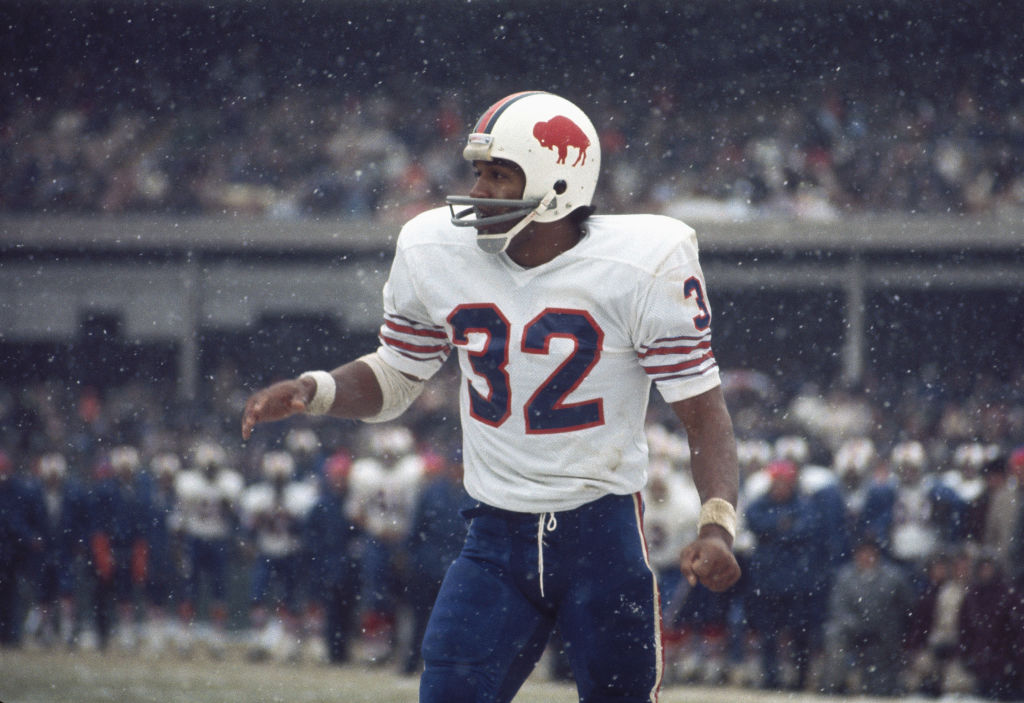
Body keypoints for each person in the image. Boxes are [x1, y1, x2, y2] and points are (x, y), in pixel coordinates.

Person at [242, 90, 741, 703]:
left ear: (560, 183)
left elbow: (704, 417)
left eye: (500, 175)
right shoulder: (435, 249)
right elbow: (398, 374)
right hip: (493, 536)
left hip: (603, 535)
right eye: (478, 172)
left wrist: (717, 525)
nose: (479, 190)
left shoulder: (642, 264)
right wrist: (314, 390)